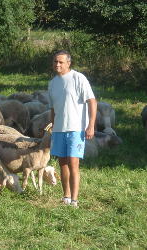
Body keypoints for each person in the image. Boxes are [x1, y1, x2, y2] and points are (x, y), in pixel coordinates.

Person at [48, 50, 97, 207]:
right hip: (58, 129)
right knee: (62, 163)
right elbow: (53, 109)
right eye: (55, 61)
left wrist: (91, 125)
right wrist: (52, 125)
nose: (57, 64)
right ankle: (66, 196)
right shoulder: (52, 83)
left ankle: (75, 200)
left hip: (75, 128)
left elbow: (92, 101)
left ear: (68, 63)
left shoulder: (78, 78)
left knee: (73, 163)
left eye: (61, 62)